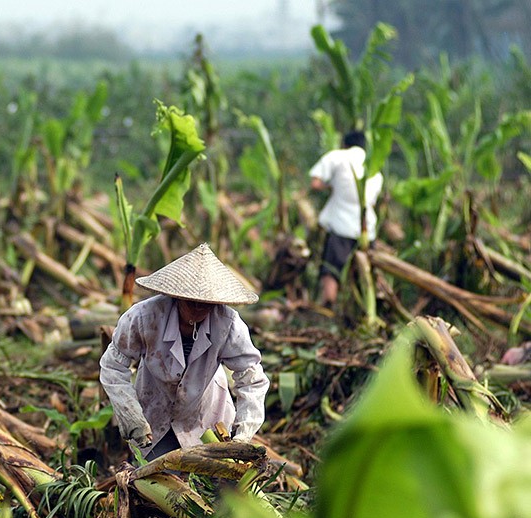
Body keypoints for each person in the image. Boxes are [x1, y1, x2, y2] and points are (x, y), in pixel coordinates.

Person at [99, 244, 270, 460]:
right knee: (152, 479)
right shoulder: (144, 317)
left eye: (206, 304)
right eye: (192, 302)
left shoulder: (228, 324)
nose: (199, 308)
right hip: (154, 413)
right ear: (177, 296)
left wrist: (242, 438)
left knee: (213, 486)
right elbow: (113, 366)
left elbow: (252, 379)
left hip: (207, 417)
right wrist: (132, 417)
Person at [309, 130, 384, 307]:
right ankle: (364, 308)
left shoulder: (338, 156)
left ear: (344, 143)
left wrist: (332, 186)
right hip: (367, 229)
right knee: (364, 271)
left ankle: (329, 305)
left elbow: (315, 183)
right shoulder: (375, 164)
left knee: (332, 269)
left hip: (340, 225)